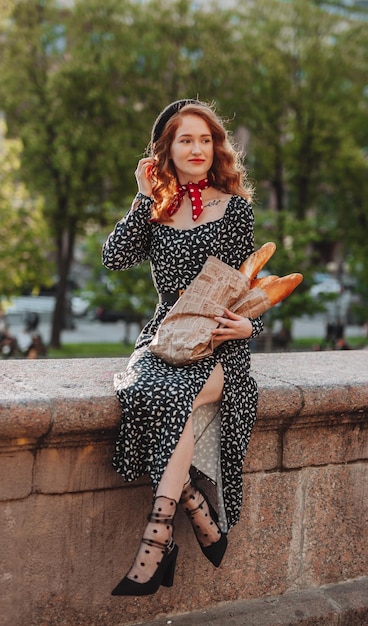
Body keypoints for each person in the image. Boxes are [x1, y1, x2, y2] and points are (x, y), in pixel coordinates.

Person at [102, 99, 263, 597]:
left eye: (206, 139)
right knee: (149, 386)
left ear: (217, 148)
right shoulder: (156, 209)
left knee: (172, 395)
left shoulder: (235, 209)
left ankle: (156, 539)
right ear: (165, 151)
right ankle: (193, 504)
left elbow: (247, 289)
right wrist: (140, 198)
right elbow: (113, 259)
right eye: (185, 140)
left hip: (218, 345)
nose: (197, 148)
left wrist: (247, 329)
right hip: (163, 337)